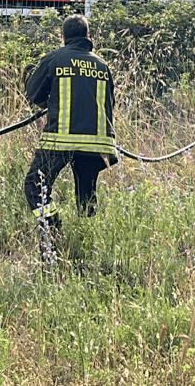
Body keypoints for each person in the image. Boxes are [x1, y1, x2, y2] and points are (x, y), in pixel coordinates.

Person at [23, 13, 117, 250]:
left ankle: (53, 228)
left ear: (63, 36)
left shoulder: (55, 59)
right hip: (98, 144)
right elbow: (109, 104)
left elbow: (34, 95)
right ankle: (87, 244)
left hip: (60, 140)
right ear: (88, 36)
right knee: (86, 198)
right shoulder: (102, 65)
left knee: (35, 186)